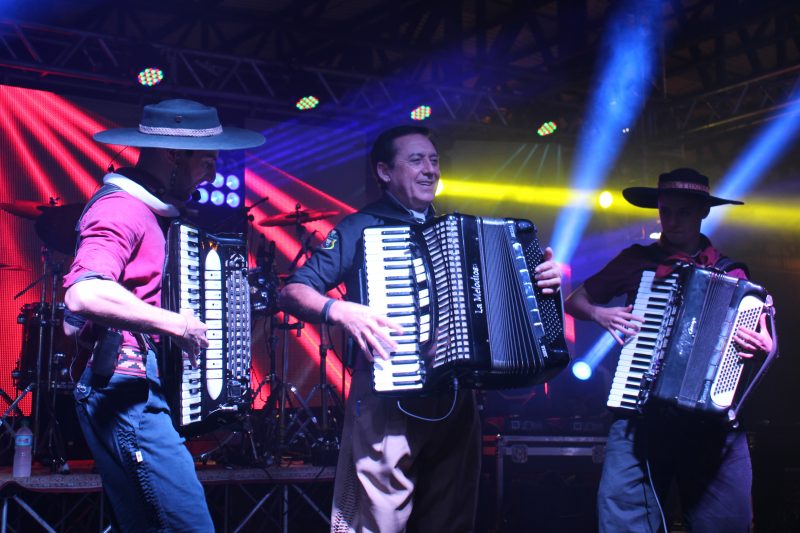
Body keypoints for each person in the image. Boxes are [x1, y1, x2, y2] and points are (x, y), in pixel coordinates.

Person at [279, 125, 563, 532]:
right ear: (384, 171)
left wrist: (540, 284)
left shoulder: (461, 230)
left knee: (451, 520)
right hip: (389, 397)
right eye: (416, 160)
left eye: (434, 160)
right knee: (381, 519)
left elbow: (506, 304)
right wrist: (340, 310)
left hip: (456, 398)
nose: (430, 169)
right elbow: (293, 291)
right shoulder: (360, 227)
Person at [63, 99, 265, 532]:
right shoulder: (121, 208)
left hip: (135, 385)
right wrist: (176, 323)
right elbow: (83, 294)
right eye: (206, 160)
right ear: (173, 155)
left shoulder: (151, 212)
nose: (212, 173)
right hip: (126, 388)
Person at [564, 168, 773, 533]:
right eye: (666, 211)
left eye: (684, 212)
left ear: (703, 213)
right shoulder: (637, 260)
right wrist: (600, 314)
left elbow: (762, 341)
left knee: (726, 522)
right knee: (623, 518)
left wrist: (763, 346)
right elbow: (575, 300)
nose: (672, 221)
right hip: (642, 415)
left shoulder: (733, 274)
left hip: (710, 426)